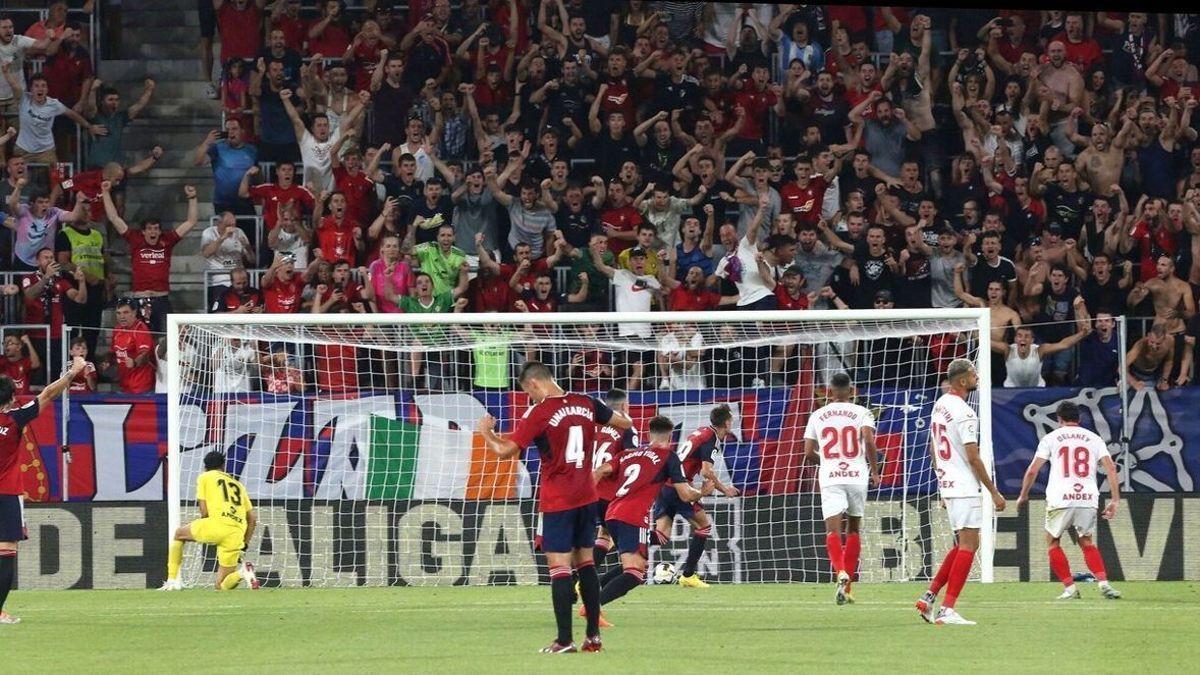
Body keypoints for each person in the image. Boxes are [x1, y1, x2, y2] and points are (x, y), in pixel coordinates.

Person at [476, 361, 632, 654]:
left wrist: (486, 432)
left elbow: (504, 451)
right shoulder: (587, 402)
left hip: (558, 499)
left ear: (533, 384)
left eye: (527, 391)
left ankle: (564, 640)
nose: (529, 397)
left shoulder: (540, 412)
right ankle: (593, 637)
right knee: (585, 563)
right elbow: (624, 424)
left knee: (559, 567)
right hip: (588, 495)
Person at [916, 358, 1006, 626]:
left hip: (948, 483)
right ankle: (948, 609)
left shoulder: (940, 405)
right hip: (964, 485)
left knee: (963, 543)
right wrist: (993, 492)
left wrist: (941, 482)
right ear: (962, 381)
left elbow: (933, 449)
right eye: (973, 373)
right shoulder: (965, 412)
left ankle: (929, 597)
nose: (977, 376)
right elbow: (973, 457)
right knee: (969, 545)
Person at [0, 354, 88, 623]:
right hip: (6, 492)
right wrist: (73, 372)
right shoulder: (14, 419)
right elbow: (48, 394)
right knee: (6, 549)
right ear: (12, 398)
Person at [594, 415, 711, 610]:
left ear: (648, 434)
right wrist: (702, 492)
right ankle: (593, 608)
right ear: (671, 436)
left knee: (640, 564)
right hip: (633, 517)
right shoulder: (669, 457)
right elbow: (685, 495)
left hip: (611, 514)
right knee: (635, 573)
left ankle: (594, 593)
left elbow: (600, 470)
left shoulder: (628, 454)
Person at [1016, 401, 1122, 600]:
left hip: (1060, 497)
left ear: (1059, 419)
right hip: (1088, 497)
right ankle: (1103, 583)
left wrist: (1023, 494)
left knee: (1052, 541)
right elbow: (1111, 467)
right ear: (1079, 419)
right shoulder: (1094, 438)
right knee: (1086, 541)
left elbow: (1032, 470)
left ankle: (1070, 589)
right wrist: (1115, 500)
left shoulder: (1051, 438)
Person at [803, 372, 880, 605]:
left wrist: (827, 462)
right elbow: (869, 441)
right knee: (854, 529)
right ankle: (848, 589)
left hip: (831, 477)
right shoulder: (862, 412)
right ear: (851, 390)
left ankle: (840, 572)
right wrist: (875, 471)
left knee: (832, 530)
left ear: (830, 391)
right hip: (857, 475)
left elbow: (808, 453)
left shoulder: (817, 414)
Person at [652, 403, 740, 588]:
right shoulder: (712, 438)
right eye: (731, 420)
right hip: (678, 486)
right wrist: (725, 490)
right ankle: (688, 575)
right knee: (704, 526)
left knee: (661, 535)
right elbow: (707, 471)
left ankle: (629, 538)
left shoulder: (701, 432)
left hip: (666, 484)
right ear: (727, 423)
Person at [102, 182, 199, 333]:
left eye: (156, 229)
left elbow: (191, 222)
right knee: (141, 338)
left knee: (168, 337)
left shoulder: (168, 240)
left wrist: (192, 197)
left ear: (160, 231)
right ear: (143, 232)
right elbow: (114, 218)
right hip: (140, 298)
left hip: (162, 299)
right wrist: (106, 192)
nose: (153, 232)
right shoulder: (135, 239)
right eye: (149, 229)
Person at [160, 450, 259, 591]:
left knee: (179, 534)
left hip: (216, 524)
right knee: (221, 586)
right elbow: (252, 519)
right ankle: (242, 573)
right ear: (223, 466)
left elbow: (204, 511)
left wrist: (206, 528)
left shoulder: (205, 477)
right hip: (236, 532)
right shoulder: (238, 485)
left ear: (205, 467)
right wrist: (244, 545)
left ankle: (171, 580)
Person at [111, 299, 155, 394]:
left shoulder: (140, 329)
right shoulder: (117, 329)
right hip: (124, 385)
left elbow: (145, 355)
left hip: (141, 387)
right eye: (118, 313)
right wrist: (107, 361)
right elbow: (113, 351)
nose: (122, 316)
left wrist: (134, 363)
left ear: (134, 313)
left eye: (126, 312)